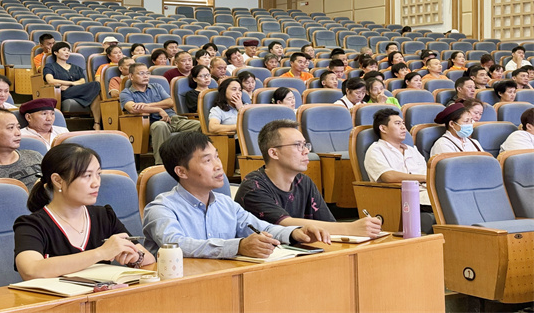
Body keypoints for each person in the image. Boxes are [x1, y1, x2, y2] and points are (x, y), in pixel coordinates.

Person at [142, 132, 327, 258]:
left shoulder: (226, 204)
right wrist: (237, 247)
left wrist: (295, 233)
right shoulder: (161, 208)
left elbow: (263, 228)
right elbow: (175, 245)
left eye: (217, 156)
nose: (218, 166)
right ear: (181, 172)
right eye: (207, 160)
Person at [13, 143, 155, 280]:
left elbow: (149, 259)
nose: (96, 183)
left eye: (98, 174)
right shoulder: (32, 224)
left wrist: (136, 257)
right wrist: (101, 253)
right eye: (87, 176)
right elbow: (31, 270)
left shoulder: (104, 216)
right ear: (58, 180)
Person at [236, 120, 381, 237]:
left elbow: (328, 223)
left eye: (305, 145)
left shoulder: (303, 181)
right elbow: (285, 224)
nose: (306, 151)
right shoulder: (253, 186)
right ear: (274, 153)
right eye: (298, 145)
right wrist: (350, 228)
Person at [364, 108, 435, 233]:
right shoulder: (376, 150)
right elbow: (388, 176)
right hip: (402, 197)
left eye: (403, 123)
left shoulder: (411, 149)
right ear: (383, 128)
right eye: (397, 124)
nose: (403, 128)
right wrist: (424, 178)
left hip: (427, 193)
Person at [120, 63, 201, 165]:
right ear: (131, 76)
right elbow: (132, 108)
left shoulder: (157, 86)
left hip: (173, 119)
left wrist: (148, 106)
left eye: (147, 73)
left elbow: (170, 102)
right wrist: (158, 109)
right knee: (160, 126)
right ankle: (161, 165)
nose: (145, 76)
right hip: (152, 123)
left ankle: (198, 162)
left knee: (201, 126)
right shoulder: (126, 93)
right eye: (141, 73)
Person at [43, 42, 102, 130]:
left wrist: (67, 85)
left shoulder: (76, 67)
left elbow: (82, 81)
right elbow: (50, 80)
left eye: (68, 50)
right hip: (62, 93)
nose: (67, 52)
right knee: (95, 85)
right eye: (64, 50)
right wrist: (72, 83)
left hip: (76, 91)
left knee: (96, 93)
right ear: (55, 52)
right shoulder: (50, 66)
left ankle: (97, 123)